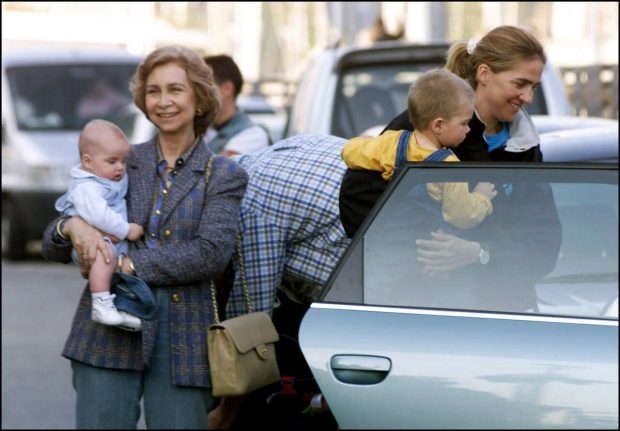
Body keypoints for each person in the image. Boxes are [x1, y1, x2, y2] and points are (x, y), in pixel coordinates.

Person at [41, 45, 248, 429]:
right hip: (106, 331)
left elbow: (210, 253)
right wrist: (70, 227)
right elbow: (51, 243)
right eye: (154, 91)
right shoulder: (118, 159)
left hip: (184, 341)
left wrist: (127, 263)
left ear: (200, 98)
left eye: (175, 90)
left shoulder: (222, 173)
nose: (164, 102)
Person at [339, 25, 562, 311]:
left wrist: (479, 251)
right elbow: (357, 198)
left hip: (504, 314)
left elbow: (545, 245)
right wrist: (432, 246)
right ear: (484, 74)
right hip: (416, 310)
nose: (528, 98)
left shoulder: (526, 146)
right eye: (520, 84)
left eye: (534, 87)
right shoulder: (427, 125)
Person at [208, 134, 349, 430]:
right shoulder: (259, 159)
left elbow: (251, 325)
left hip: (367, 275)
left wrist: (224, 413)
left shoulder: (248, 211)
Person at [341, 68, 497, 231]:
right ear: (438, 125)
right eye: (464, 123)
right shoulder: (450, 168)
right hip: (431, 241)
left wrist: (364, 142)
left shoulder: (392, 141)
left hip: (391, 235)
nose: (469, 130)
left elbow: (349, 152)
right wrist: (482, 197)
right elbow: (462, 216)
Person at [54, 119, 143, 330]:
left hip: (111, 241)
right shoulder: (87, 187)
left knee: (114, 262)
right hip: (94, 245)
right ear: (88, 161)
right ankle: (101, 302)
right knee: (105, 256)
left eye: (123, 161)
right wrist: (126, 229)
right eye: (112, 161)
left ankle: (120, 309)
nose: (120, 167)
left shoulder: (106, 179)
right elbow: (99, 216)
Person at [204, 54, 271, 156]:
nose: (197, 94)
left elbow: (215, 169)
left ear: (227, 89)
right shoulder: (201, 128)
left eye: (204, 86)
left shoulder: (253, 135)